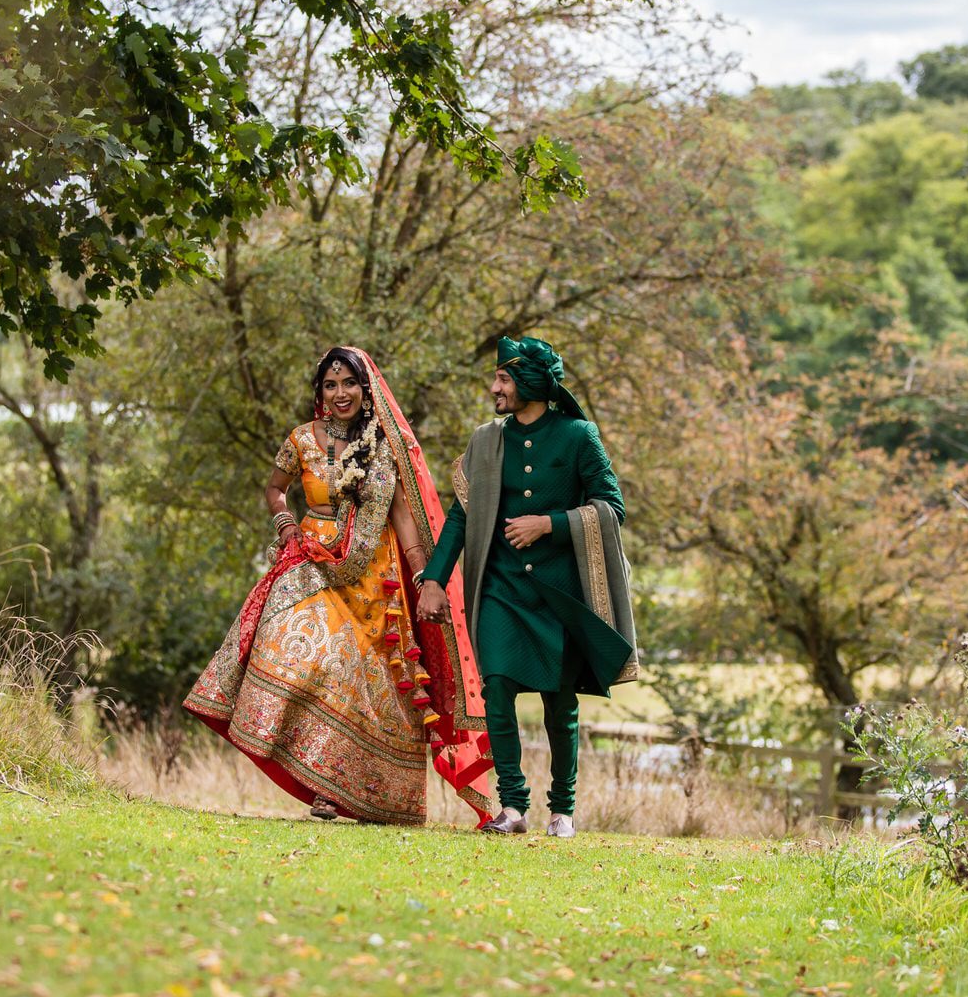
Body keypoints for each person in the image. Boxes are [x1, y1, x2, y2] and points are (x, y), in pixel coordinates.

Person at [185, 347, 496, 825]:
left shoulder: (382, 444)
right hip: (310, 560)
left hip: (373, 577)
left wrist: (422, 575)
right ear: (320, 393)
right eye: (330, 386)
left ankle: (338, 794)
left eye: (348, 384)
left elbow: (403, 520)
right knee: (300, 651)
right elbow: (274, 488)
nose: (340, 394)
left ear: (365, 389)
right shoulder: (301, 440)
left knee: (359, 679)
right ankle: (309, 771)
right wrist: (286, 526)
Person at [416, 336, 638, 838]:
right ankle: (512, 806)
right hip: (501, 586)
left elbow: (612, 508)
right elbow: (460, 517)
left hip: (561, 591)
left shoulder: (580, 436)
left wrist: (550, 524)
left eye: (503, 379)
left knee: (560, 703)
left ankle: (563, 810)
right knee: (497, 685)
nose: (494, 388)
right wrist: (433, 578)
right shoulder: (486, 440)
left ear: (531, 384)